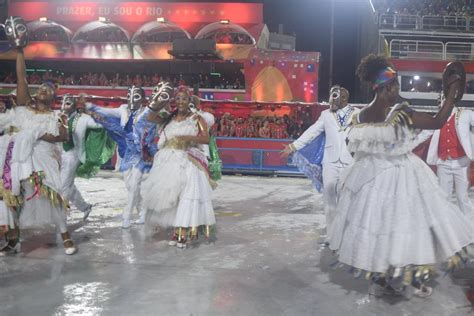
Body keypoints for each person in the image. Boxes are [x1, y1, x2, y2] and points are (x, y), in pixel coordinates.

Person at [328, 54, 474, 298]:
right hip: (403, 176)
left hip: (371, 179)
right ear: (388, 87)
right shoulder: (400, 113)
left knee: (379, 229)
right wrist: (452, 93)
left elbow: (355, 151)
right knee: (409, 228)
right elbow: (438, 121)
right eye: (396, 85)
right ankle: (413, 277)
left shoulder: (360, 116)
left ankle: (383, 276)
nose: (399, 89)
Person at [0, 22, 77, 255]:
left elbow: (63, 136)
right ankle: (13, 240)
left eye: (48, 89)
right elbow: (21, 77)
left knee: (53, 195)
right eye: (40, 87)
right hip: (17, 158)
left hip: (42, 158)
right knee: (12, 196)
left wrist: (42, 134)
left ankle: (65, 236)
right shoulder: (24, 107)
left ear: (54, 97)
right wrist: (19, 49)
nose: (43, 90)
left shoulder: (56, 116)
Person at [142, 85, 216, 248]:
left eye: (184, 98)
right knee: (170, 198)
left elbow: (205, 139)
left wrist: (187, 137)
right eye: (178, 99)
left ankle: (182, 231)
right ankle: (174, 227)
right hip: (166, 161)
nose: (180, 102)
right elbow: (150, 117)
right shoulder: (169, 116)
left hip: (186, 161)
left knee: (186, 198)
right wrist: (156, 102)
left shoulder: (197, 118)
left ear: (189, 100)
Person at [282, 85, 359, 235]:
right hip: (330, 162)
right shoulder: (325, 115)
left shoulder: (357, 113)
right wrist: (294, 146)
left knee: (346, 198)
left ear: (344, 98)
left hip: (349, 162)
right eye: (331, 95)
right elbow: (312, 132)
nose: (332, 99)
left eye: (335, 96)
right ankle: (332, 234)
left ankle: (345, 232)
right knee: (329, 196)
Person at [86, 86, 158, 228]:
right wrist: (90, 106)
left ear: (143, 99)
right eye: (129, 95)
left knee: (134, 183)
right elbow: (106, 111)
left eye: (136, 96)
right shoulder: (123, 109)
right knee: (130, 185)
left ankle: (127, 217)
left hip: (140, 153)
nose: (131, 99)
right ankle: (143, 211)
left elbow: (152, 131)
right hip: (125, 152)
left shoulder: (148, 113)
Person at [60, 94, 114, 221]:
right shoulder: (56, 116)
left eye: (68, 103)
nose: (64, 106)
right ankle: (85, 207)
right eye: (62, 102)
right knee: (67, 185)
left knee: (64, 185)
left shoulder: (83, 118)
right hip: (57, 153)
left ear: (74, 105)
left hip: (73, 154)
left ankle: (61, 215)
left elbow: (101, 125)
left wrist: (94, 113)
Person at [425, 106, 474, 216]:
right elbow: (425, 133)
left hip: (461, 162)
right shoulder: (437, 118)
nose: (442, 103)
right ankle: (446, 223)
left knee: (462, 197)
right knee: (444, 196)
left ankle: (470, 224)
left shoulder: (465, 114)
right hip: (443, 162)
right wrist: (409, 144)